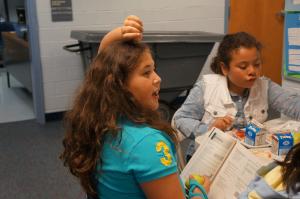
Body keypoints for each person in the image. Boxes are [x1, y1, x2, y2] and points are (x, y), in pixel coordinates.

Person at [60, 15, 210, 199]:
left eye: (154, 69)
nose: (157, 78)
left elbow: (101, 68)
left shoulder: (102, 121)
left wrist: (117, 35)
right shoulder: (148, 143)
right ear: (118, 84)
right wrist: (198, 191)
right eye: (146, 72)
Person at [172, 32, 300, 161]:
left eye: (256, 64)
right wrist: (209, 128)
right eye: (243, 67)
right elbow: (181, 118)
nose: (252, 71)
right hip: (208, 156)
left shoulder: (264, 86)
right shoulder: (207, 87)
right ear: (225, 68)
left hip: (245, 157)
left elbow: (293, 105)